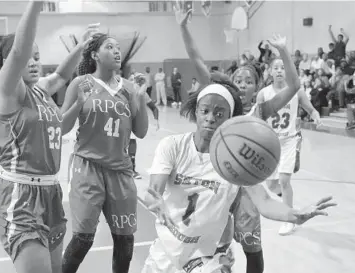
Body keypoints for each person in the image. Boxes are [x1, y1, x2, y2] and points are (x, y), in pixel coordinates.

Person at [140, 4, 336, 273]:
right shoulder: (213, 102)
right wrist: (183, 26)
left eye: (248, 81)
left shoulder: (259, 110)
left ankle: (215, 256)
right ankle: (213, 249)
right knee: (212, 222)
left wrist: (293, 213)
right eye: (238, 80)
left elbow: (293, 86)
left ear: (257, 87)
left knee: (250, 243)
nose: (242, 84)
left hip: (243, 169)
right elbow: (197, 60)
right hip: (219, 172)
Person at [0, 2, 97, 273]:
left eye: (37, 56)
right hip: (20, 194)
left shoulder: (41, 90)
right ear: (6, 64)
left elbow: (63, 76)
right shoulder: (9, 92)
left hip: (50, 193)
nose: (33, 61)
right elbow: (18, 51)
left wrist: (83, 46)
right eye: (28, 56)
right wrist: (35, 5)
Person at [60, 32, 149, 273]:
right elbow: (61, 126)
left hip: (120, 171)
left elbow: (140, 131)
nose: (117, 51)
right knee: (83, 239)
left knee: (125, 241)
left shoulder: (130, 88)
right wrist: (79, 103)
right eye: (110, 47)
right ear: (94, 55)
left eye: (118, 47)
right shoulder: (81, 83)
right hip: (87, 167)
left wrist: (140, 98)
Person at [260, 57, 322, 236]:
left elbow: (311, 110)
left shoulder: (297, 92)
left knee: (284, 180)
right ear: (270, 71)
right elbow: (257, 119)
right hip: (270, 143)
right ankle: (293, 208)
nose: (279, 71)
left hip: (289, 140)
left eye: (282, 68)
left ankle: (289, 219)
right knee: (271, 185)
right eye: (276, 68)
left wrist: (316, 116)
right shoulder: (263, 94)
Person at [129, 72, 160, 179]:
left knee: (131, 141)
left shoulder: (143, 94)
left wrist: (156, 121)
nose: (137, 82)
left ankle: (131, 168)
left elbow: (155, 108)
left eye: (140, 80)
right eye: (135, 79)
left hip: (134, 121)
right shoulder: (126, 89)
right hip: (120, 119)